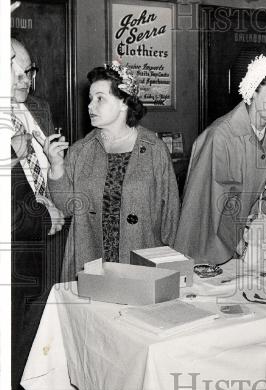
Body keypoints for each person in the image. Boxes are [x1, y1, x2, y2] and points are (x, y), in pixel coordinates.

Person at [45, 61, 180, 282]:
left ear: (124, 103)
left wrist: (174, 272)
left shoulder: (155, 150)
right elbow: (67, 207)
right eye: (90, 99)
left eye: (100, 98)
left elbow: (171, 217)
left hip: (142, 270)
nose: (90, 106)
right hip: (91, 267)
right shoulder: (81, 150)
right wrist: (57, 166)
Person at [176, 54, 266, 265]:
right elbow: (202, 209)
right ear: (253, 91)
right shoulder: (220, 136)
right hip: (219, 251)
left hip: (259, 243)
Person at [10, 37, 66, 390]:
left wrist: (56, 167)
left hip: (48, 233)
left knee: (41, 313)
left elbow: (53, 166)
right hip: (14, 237)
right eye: (15, 71)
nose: (24, 79)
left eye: (27, 71)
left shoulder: (38, 109)